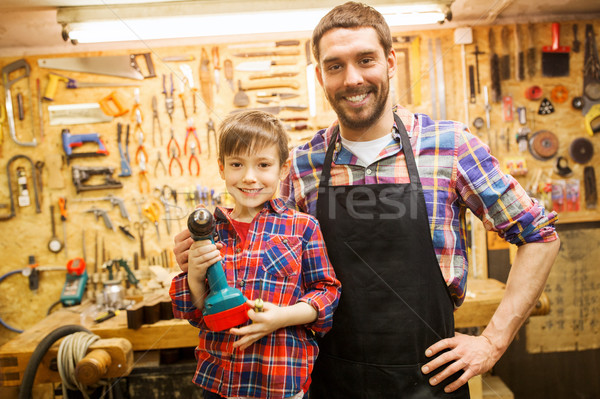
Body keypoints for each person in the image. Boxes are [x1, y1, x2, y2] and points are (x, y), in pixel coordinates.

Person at [175, 2, 559, 397]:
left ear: (390, 61)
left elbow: (540, 237)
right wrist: (203, 251)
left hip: (430, 380)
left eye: (365, 59)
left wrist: (492, 343)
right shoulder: (303, 164)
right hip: (329, 382)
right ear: (320, 75)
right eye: (335, 65)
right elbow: (261, 253)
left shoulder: (450, 147)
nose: (352, 78)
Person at [170, 110, 341, 399]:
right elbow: (198, 313)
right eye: (237, 164)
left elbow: (326, 293)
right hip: (220, 383)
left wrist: (282, 317)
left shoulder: (302, 227)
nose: (250, 177)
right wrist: (197, 278)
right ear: (222, 168)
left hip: (281, 382)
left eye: (263, 164)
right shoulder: (209, 231)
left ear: (283, 169)